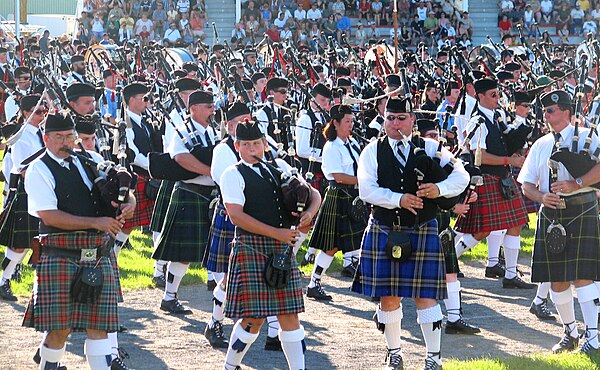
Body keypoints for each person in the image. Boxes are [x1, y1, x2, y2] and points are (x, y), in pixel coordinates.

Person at [352, 97, 469, 369]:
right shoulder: (372, 150)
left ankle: (433, 358)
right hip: (384, 227)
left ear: (412, 121)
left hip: (421, 228)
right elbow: (366, 190)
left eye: (401, 118)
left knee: (425, 296)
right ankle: (395, 354)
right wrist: (399, 199)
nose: (395, 124)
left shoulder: (430, 147)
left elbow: (460, 175)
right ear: (384, 120)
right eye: (390, 118)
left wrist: (438, 190)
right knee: (388, 296)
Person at [22, 111, 135, 370]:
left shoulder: (91, 159)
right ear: (46, 138)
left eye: (69, 136)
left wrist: (128, 204)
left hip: (97, 254)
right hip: (60, 255)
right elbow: (48, 215)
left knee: (100, 329)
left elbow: (122, 190)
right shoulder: (38, 169)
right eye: (59, 137)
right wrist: (96, 223)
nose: (65, 142)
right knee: (60, 331)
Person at [220, 120, 320, 370]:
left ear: (264, 143)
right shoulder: (232, 174)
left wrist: (309, 211)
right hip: (252, 247)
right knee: (253, 319)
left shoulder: (279, 168)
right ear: (237, 146)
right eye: (246, 144)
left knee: (290, 315)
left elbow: (314, 194)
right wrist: (277, 233)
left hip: (280, 249)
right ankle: (230, 366)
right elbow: (236, 216)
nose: (252, 148)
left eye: (256, 143)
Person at [517, 89, 600, 354]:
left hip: (583, 209)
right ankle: (570, 333)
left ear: (566, 111)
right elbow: (526, 184)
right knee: (557, 281)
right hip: (552, 215)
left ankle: (594, 337)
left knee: (584, 277)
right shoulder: (540, 144)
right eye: (544, 111)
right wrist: (541, 197)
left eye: (551, 110)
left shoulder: (589, 136)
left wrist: (576, 183)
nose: (546, 114)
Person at [454, 78, 535, 290]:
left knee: (516, 223)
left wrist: (523, 128)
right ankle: (448, 259)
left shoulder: (497, 117)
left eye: (498, 94)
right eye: (493, 95)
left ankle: (510, 274)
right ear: (480, 96)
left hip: (503, 178)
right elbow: (479, 157)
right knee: (483, 231)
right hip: (487, 178)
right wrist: (510, 160)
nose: (497, 98)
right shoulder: (477, 122)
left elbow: (507, 143)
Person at [152, 89, 217, 314]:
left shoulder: (211, 132)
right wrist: (211, 171)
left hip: (209, 196)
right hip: (190, 193)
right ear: (194, 109)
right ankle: (169, 297)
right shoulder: (181, 132)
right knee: (183, 255)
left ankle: (222, 296)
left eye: (213, 106)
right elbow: (180, 158)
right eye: (209, 107)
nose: (213, 111)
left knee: (217, 250)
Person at [304, 104, 366, 300]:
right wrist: (363, 181)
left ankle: (364, 280)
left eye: (352, 121)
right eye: (347, 121)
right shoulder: (331, 146)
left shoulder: (352, 143)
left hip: (354, 197)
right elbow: (338, 176)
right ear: (336, 123)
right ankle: (314, 283)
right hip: (339, 196)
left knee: (360, 239)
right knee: (331, 246)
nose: (351, 124)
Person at [0, 94, 46, 302]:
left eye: (44, 110)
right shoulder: (20, 136)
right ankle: (3, 281)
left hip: (45, 190)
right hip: (29, 190)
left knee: (43, 242)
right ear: (26, 112)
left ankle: (43, 287)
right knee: (21, 244)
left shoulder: (42, 133)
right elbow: (21, 167)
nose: (42, 114)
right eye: (38, 111)